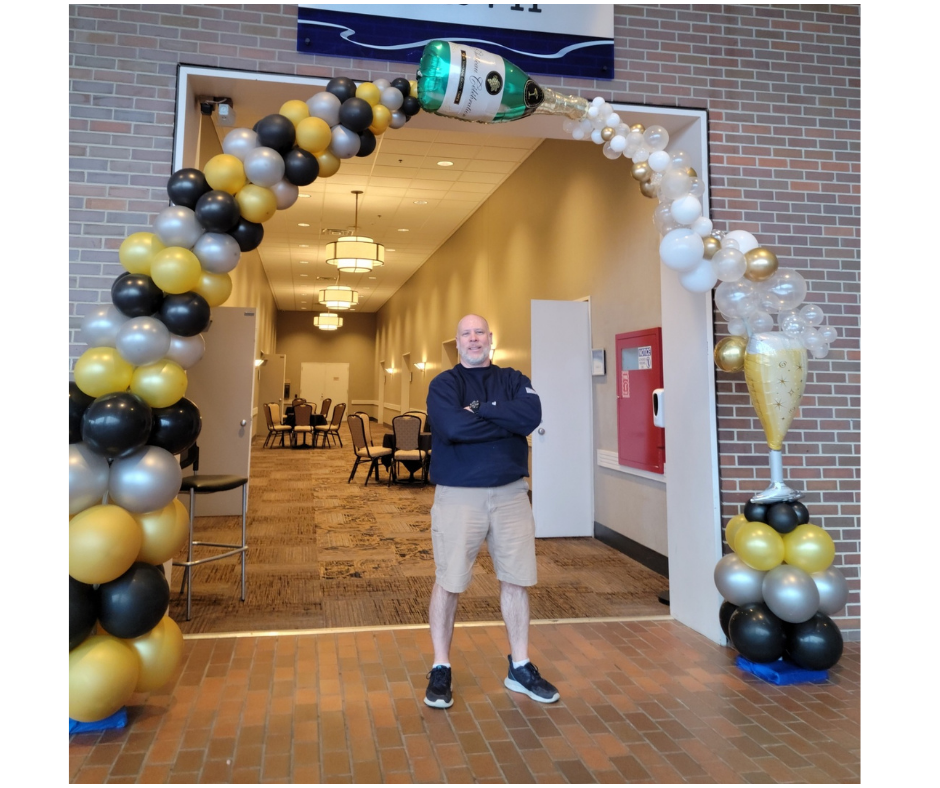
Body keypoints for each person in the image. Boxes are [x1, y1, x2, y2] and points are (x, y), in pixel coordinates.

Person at [423, 314, 559, 709]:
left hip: (511, 494)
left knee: (516, 580)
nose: (473, 339)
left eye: (479, 332)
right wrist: (505, 421)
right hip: (458, 495)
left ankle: (520, 666)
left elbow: (529, 417)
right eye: (466, 333)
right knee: (449, 581)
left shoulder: (513, 378)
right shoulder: (444, 384)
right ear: (457, 342)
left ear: (490, 338)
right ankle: (441, 666)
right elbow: (453, 428)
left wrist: (478, 411)